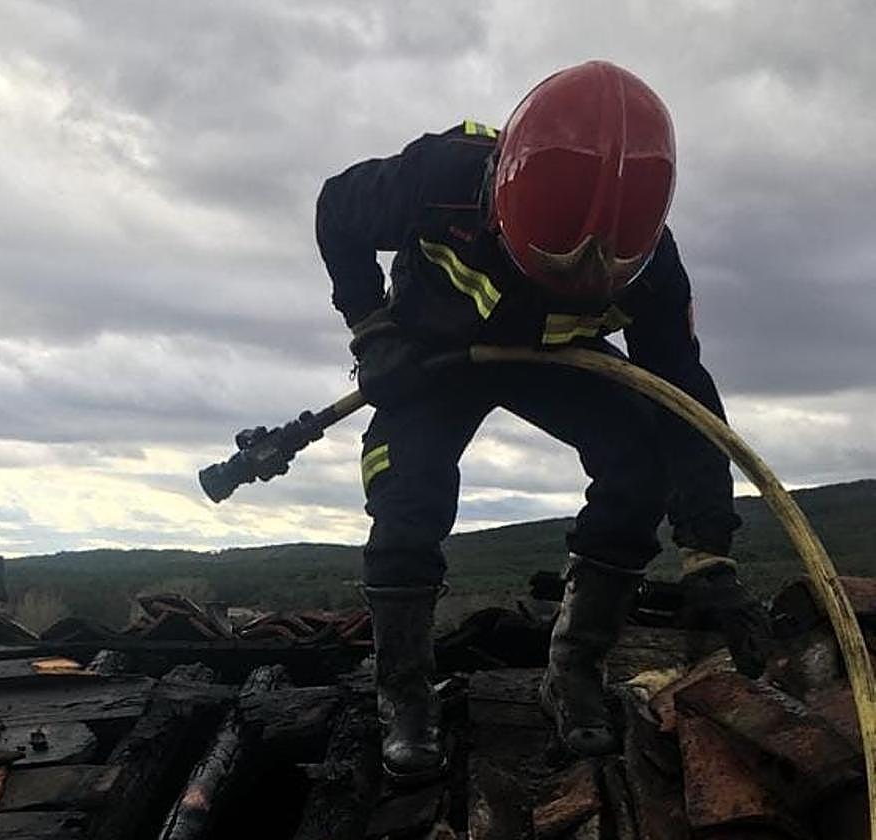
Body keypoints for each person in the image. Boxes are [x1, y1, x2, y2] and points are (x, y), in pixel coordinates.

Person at [314, 61, 771, 783]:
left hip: (555, 358)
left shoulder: (653, 265)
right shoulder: (435, 173)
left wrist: (707, 547)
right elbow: (334, 211)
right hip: (431, 353)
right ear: (498, 198)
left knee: (639, 460)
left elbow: (682, 398)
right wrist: (372, 332)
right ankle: (402, 696)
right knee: (407, 494)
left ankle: (572, 672)